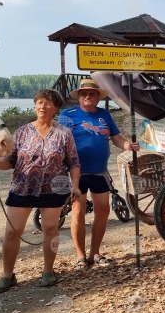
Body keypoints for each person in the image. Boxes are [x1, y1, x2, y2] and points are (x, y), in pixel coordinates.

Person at [0, 89, 81, 293]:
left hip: (54, 188)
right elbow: (10, 161)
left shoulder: (64, 133)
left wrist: (75, 185)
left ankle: (48, 271)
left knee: (50, 229)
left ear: (56, 108)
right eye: (39, 102)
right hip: (22, 187)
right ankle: (7, 275)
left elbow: (73, 162)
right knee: (12, 232)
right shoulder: (22, 132)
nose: (42, 106)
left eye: (48, 103)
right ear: (35, 105)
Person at [59, 78, 139, 269]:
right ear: (79, 96)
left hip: (99, 171)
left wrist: (128, 145)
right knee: (78, 212)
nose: (88, 96)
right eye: (84, 94)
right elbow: (60, 141)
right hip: (76, 173)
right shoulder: (68, 115)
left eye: (92, 93)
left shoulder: (104, 114)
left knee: (103, 211)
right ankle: (80, 256)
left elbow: (116, 138)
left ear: (98, 97)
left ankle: (94, 253)